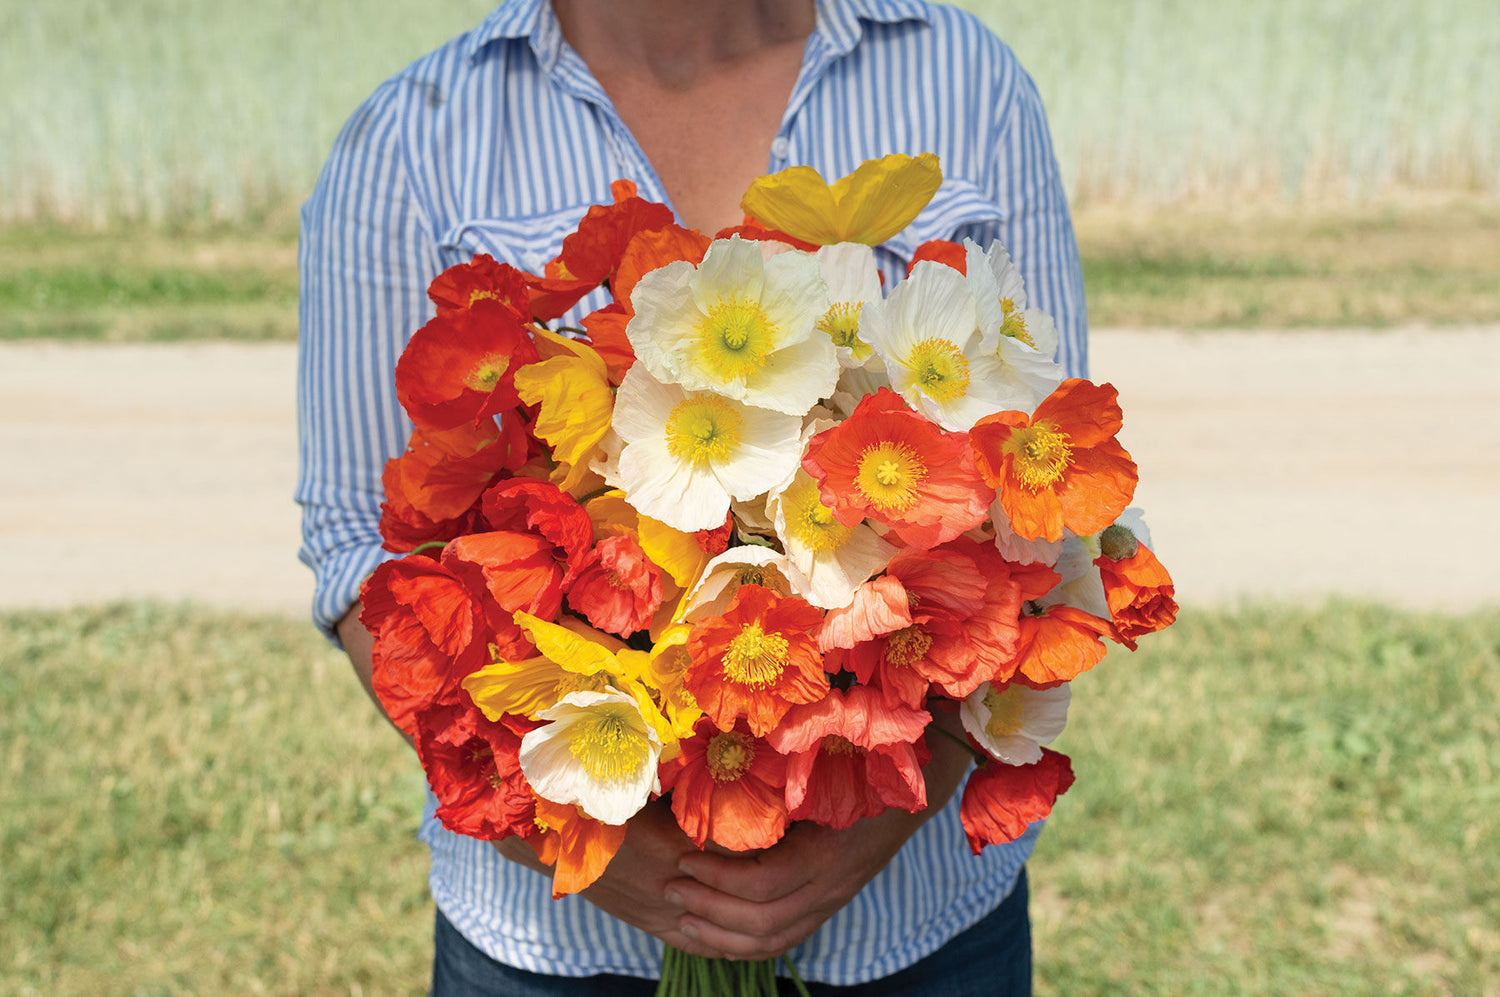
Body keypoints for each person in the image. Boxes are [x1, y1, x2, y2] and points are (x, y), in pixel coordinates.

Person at [297, 0, 1088, 992]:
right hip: (557, 953)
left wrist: (874, 805)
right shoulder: (411, 137)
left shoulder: (962, 78)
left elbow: (1042, 500)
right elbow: (356, 545)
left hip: (917, 935)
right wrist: (577, 825)